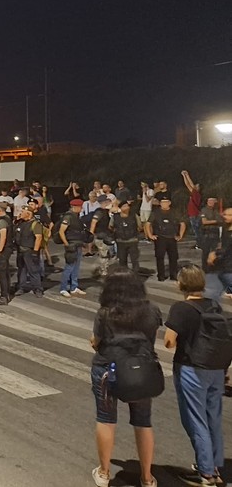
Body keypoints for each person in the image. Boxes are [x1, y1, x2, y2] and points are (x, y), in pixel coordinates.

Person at [89, 267, 161, 487]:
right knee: (143, 422)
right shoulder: (152, 310)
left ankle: (103, 472)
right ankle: (147, 477)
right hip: (142, 369)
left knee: (106, 419)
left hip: (108, 368)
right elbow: (150, 339)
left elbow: (96, 342)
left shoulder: (105, 312)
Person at [164, 265, 226, 486]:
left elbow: (169, 342)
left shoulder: (181, 308)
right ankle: (216, 467)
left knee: (196, 419)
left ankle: (206, 473)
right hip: (217, 369)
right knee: (213, 419)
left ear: (181, 284)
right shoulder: (214, 305)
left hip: (192, 368)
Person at [145, 195, 185, 282]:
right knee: (160, 257)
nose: (164, 204)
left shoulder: (175, 212)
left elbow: (182, 223)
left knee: (173, 257)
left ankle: (173, 275)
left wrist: (180, 235)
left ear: (169, 203)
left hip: (172, 238)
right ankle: (161, 276)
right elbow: (148, 224)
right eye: (162, 202)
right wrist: (150, 235)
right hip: (160, 238)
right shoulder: (155, 212)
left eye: (166, 202)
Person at [59, 198, 88, 298]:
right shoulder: (68, 217)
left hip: (78, 244)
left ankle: (74, 287)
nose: (81, 209)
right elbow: (61, 231)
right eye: (80, 207)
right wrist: (66, 244)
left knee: (76, 267)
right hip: (71, 245)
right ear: (75, 207)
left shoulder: (77, 217)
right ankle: (63, 288)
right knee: (69, 267)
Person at [13, 205, 44, 298]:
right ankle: (21, 287)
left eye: (22, 212)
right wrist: (16, 220)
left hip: (29, 251)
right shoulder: (21, 223)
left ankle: (37, 288)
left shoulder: (36, 224)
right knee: (21, 269)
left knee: (33, 270)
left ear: (28, 214)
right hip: (20, 250)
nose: (20, 213)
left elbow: (39, 238)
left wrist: (35, 251)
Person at [112, 200, 141, 272]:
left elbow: (140, 227)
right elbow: (110, 226)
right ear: (120, 208)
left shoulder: (134, 215)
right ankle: (123, 277)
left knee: (134, 260)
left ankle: (135, 276)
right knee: (122, 261)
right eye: (124, 206)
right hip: (120, 241)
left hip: (132, 240)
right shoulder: (115, 217)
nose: (126, 208)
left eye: (127, 206)